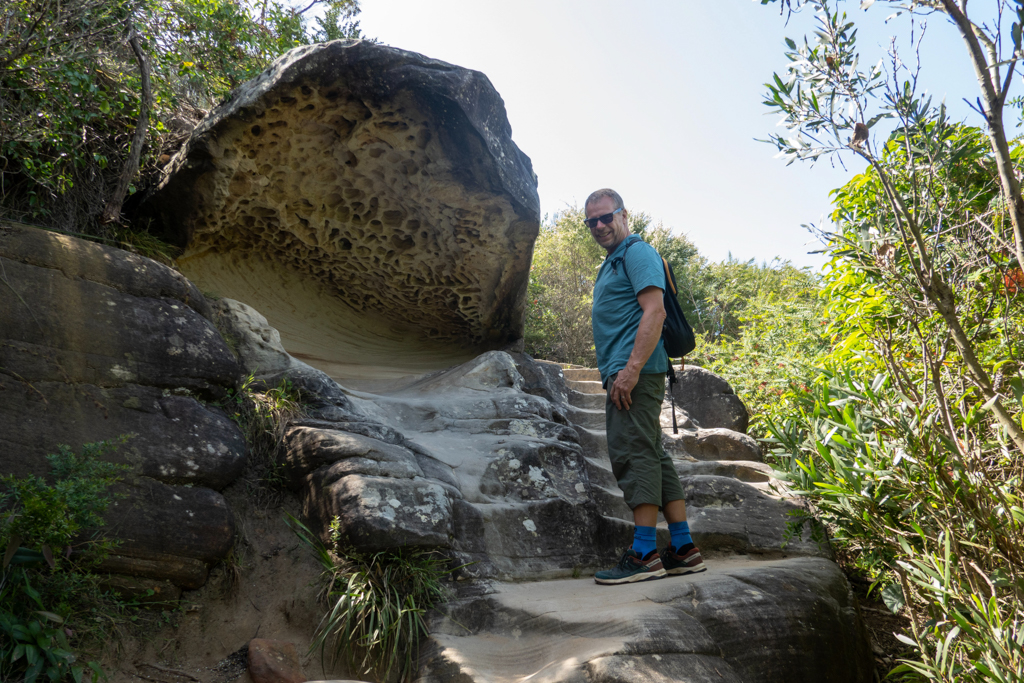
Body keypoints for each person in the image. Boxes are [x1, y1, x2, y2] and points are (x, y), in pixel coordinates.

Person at [585, 188, 706, 585]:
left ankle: (643, 554)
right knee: (652, 454)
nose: (600, 226)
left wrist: (631, 369)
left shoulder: (637, 252)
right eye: (592, 222)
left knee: (633, 452)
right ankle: (684, 548)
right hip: (630, 373)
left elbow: (654, 310)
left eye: (606, 217)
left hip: (633, 374)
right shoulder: (614, 260)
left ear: (623, 214)